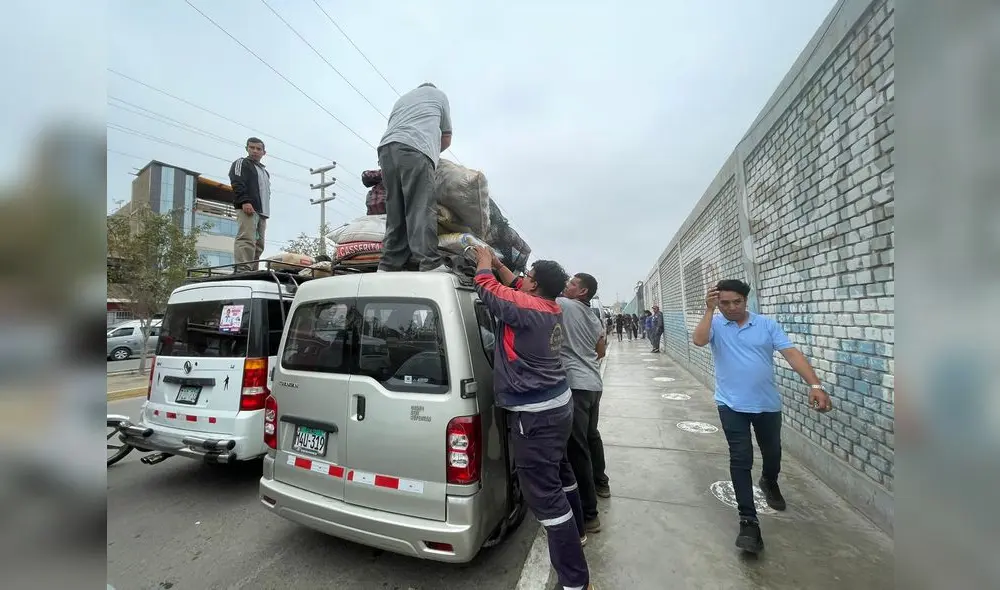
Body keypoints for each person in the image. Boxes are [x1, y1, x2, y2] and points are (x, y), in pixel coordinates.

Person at [470, 245, 591, 590]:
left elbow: (487, 288)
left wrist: (483, 265)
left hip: (534, 417)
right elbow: (517, 285)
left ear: (535, 286)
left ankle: (575, 582)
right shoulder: (548, 306)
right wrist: (498, 263)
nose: (524, 281)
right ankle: (579, 531)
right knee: (562, 473)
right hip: (558, 405)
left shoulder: (524, 308)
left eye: (530, 279)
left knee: (545, 498)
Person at [692, 279, 833, 554]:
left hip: (767, 405)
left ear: (747, 300)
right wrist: (709, 311)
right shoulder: (715, 324)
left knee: (772, 452)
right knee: (741, 457)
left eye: (737, 302)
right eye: (725, 303)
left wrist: (815, 385)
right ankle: (749, 522)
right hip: (730, 405)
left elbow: (791, 354)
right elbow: (698, 340)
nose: (732, 308)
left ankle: (769, 481)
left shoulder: (767, 325)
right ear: (717, 302)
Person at [377, 83, 453, 272]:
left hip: (386, 150)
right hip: (415, 149)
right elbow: (446, 137)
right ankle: (430, 262)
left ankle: (388, 264)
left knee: (395, 211)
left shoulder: (402, 100)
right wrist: (431, 154)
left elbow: (396, 129)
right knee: (420, 207)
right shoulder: (439, 94)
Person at [559, 272, 611, 536]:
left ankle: (589, 514)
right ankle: (602, 482)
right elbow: (600, 351)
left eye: (572, 284)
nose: (566, 286)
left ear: (583, 292)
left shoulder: (563, 305)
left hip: (576, 386)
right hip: (593, 384)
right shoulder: (592, 316)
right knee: (592, 437)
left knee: (576, 448)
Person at [229, 137, 271, 271]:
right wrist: (244, 201)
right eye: (252, 147)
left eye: (258, 149)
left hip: (262, 212)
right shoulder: (241, 163)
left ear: (264, 152)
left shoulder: (264, 172)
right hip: (248, 208)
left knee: (259, 244)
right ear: (247, 148)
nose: (255, 151)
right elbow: (237, 182)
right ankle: (243, 268)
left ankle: (253, 269)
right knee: (246, 238)